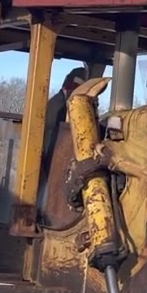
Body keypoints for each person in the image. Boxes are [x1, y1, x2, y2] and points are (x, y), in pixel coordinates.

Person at [38, 67, 88, 218]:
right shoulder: (58, 105)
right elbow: (54, 132)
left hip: (56, 156)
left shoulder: (62, 102)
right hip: (51, 155)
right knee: (49, 191)